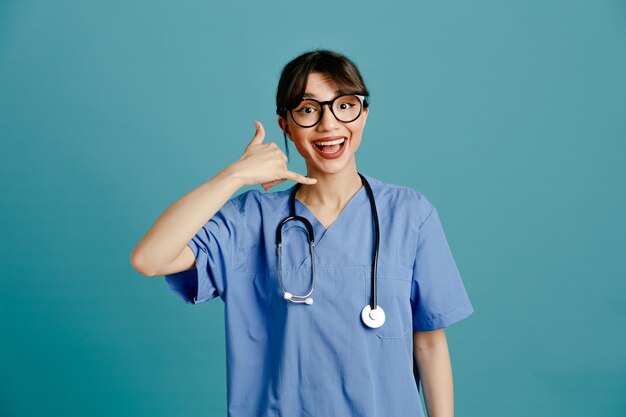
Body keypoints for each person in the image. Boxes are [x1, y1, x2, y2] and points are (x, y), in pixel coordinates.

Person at [131, 49, 474, 417]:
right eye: (309, 110)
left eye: (344, 105)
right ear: (286, 125)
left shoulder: (410, 214)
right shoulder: (250, 221)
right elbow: (150, 259)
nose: (329, 125)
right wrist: (234, 177)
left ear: (364, 114)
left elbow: (429, 343)